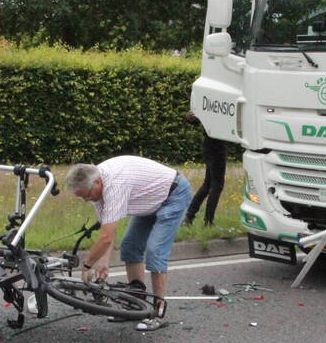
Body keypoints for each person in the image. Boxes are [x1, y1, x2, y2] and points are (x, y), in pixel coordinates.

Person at [65, 156, 191, 331]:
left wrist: (87, 266)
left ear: (97, 183)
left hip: (173, 194)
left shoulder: (115, 185)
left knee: (155, 251)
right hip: (149, 199)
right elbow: (107, 230)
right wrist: (103, 262)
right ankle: (136, 304)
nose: (86, 200)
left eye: (86, 196)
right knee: (130, 246)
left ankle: (158, 312)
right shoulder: (95, 184)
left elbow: (106, 237)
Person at [183, 111, 227, 226]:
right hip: (217, 146)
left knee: (208, 184)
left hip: (208, 145)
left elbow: (195, 118)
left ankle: (189, 216)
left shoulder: (209, 99)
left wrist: (189, 118)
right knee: (217, 186)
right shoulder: (221, 102)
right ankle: (208, 222)